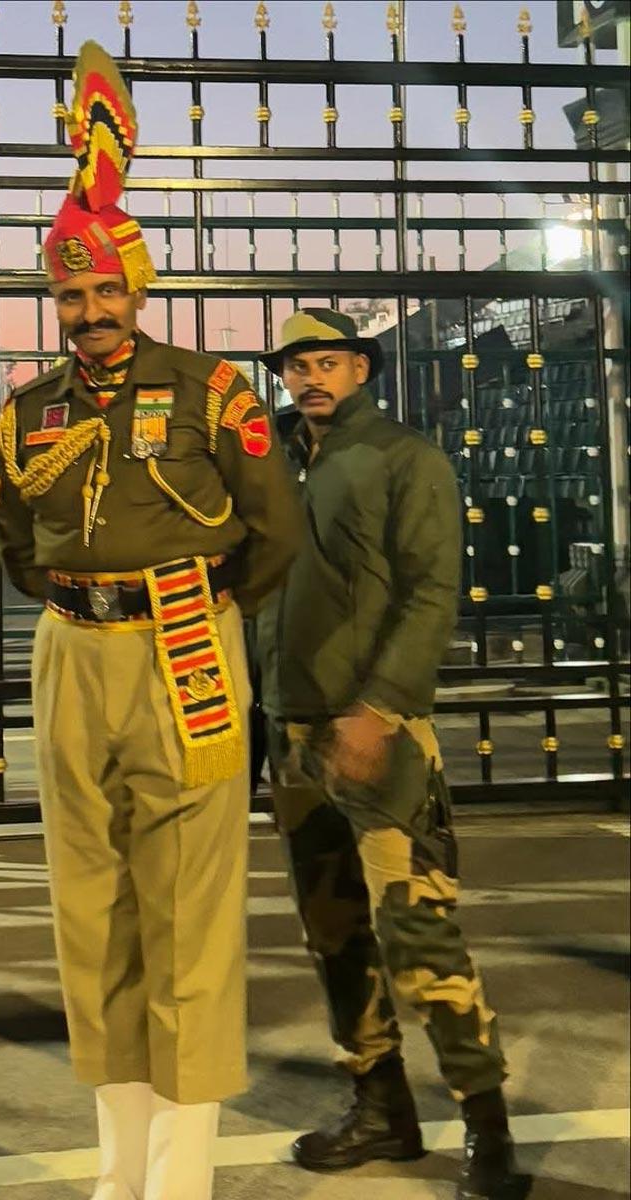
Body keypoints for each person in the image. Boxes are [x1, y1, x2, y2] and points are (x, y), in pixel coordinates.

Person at [0, 42, 302, 1200]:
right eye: (68, 294)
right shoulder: (25, 414)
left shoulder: (215, 391)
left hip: (183, 643)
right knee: (90, 908)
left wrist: (206, 608)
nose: (86, 312)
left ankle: (183, 1180)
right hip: (72, 649)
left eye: (104, 289)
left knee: (192, 917)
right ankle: (119, 1170)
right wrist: (86, 605)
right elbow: (19, 547)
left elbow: (274, 534)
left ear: (140, 286)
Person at [254, 309, 526, 1200]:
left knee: (418, 930)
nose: (311, 378)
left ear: (360, 369)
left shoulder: (405, 459)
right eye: (297, 366)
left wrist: (379, 707)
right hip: (292, 734)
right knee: (332, 931)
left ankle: (489, 1128)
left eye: (327, 362)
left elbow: (430, 593)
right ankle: (380, 1105)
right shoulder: (273, 463)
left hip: (380, 735)